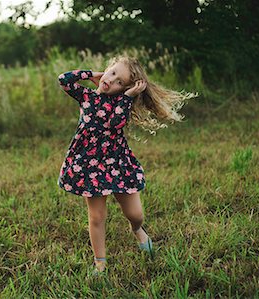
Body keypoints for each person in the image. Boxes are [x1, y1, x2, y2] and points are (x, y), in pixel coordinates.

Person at [57, 55, 198, 276]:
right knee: (96, 217)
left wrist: (128, 97)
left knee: (136, 214)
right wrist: (93, 75)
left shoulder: (120, 104)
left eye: (119, 81)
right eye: (112, 72)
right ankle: (100, 263)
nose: (111, 80)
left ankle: (136, 229)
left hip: (117, 165)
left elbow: (116, 122)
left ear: (125, 90)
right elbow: (64, 80)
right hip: (89, 166)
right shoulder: (86, 96)